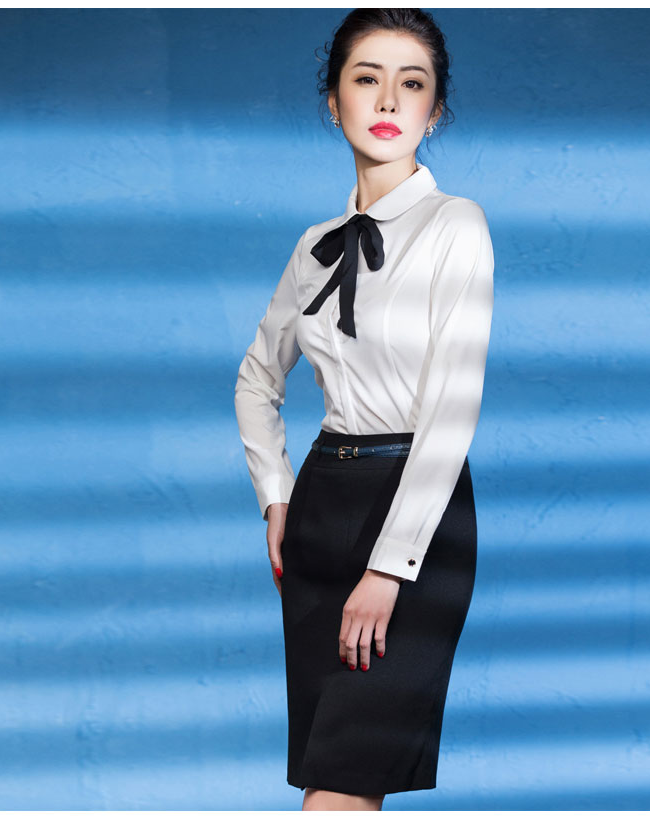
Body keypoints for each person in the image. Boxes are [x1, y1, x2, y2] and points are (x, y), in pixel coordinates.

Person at [234, 8, 494, 812]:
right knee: (337, 782)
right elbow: (255, 379)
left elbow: (452, 409)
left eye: (411, 83)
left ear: (434, 110)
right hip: (320, 509)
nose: (388, 99)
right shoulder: (314, 245)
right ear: (334, 100)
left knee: (341, 787)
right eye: (366, 78)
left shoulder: (456, 226)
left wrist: (390, 567)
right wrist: (277, 497)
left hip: (414, 514)